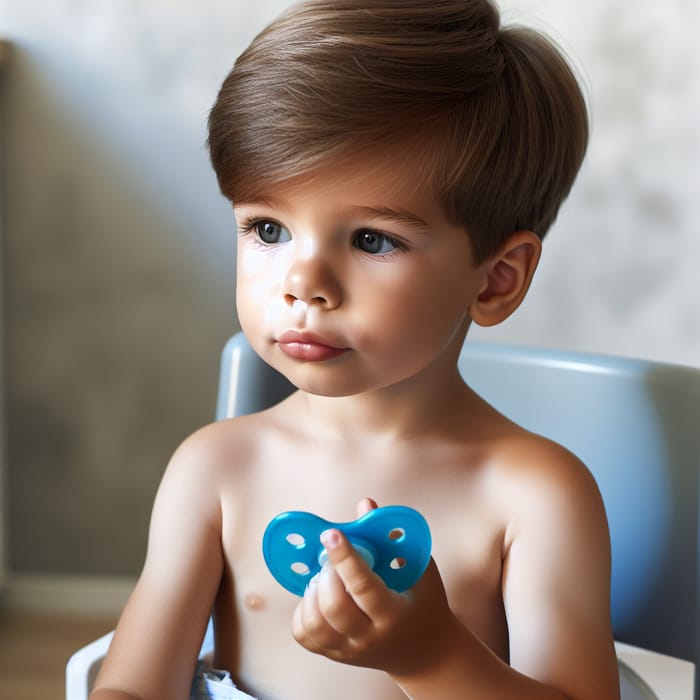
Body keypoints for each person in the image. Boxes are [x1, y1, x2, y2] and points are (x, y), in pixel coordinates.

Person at [91, 1, 621, 698]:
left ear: (495, 279)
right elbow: (131, 687)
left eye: (373, 240)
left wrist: (432, 655)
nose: (303, 284)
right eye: (268, 229)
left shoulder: (536, 497)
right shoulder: (215, 469)